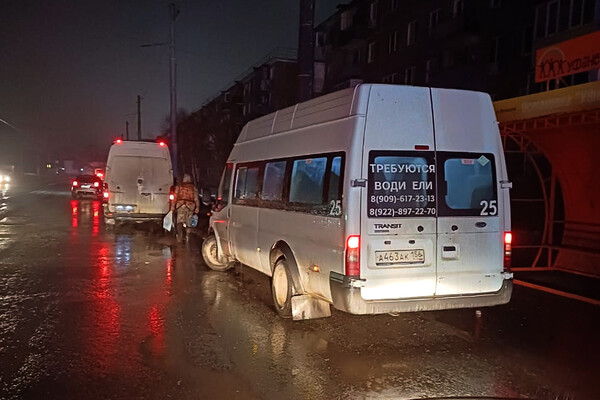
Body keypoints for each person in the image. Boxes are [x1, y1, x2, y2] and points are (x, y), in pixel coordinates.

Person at [171, 173, 200, 242]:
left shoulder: (179, 186)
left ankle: (180, 236)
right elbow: (196, 198)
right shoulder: (193, 187)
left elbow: (175, 197)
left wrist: (172, 206)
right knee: (189, 222)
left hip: (180, 205)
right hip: (190, 206)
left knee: (179, 221)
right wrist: (197, 207)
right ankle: (187, 236)